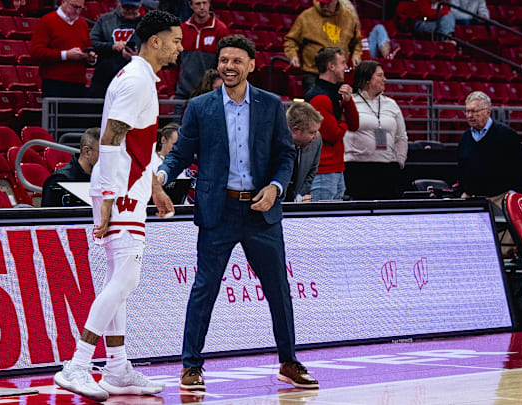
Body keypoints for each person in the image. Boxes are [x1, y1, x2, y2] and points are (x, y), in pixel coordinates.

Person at [157, 34, 319, 392]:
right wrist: (162, 175)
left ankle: (289, 362)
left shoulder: (270, 104)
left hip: (261, 210)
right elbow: (181, 153)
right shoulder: (200, 106)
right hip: (219, 210)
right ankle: (191, 366)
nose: (228, 66)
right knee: (204, 289)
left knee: (279, 290)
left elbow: (284, 156)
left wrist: (275, 188)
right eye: (223, 60)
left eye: (236, 60)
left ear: (251, 65)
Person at [53, 10, 179, 402]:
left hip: (131, 185)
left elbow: (135, 146)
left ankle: (118, 366)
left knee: (119, 281)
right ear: (155, 41)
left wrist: (154, 186)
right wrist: (108, 196)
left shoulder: (141, 78)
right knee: (126, 279)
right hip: (119, 189)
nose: (180, 46)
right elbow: (109, 138)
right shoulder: (137, 80)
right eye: (174, 39)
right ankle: (77, 363)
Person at [343, 60, 408, 200]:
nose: (384, 79)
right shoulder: (350, 102)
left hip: (387, 168)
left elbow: (401, 137)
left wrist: (399, 161)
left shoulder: (391, 104)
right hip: (357, 169)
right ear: (367, 79)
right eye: (380, 75)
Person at [305, 47, 359, 201]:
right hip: (323, 170)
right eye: (342, 63)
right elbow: (333, 135)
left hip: (336, 168)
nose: (346, 68)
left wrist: (348, 103)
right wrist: (342, 121)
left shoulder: (338, 92)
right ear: (331, 66)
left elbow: (355, 125)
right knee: (321, 220)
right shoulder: (319, 98)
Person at [457, 91, 522, 202]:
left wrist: (512, 194)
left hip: (499, 197)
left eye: (474, 111)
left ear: (487, 112)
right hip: (471, 198)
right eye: (467, 111)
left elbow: (521, 168)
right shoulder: (465, 137)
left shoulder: (506, 135)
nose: (470, 116)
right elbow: (461, 168)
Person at [283, 0, 362, 93]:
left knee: (337, 104)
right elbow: (291, 40)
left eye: (328, 3)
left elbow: (357, 42)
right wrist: (292, 54)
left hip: (337, 75)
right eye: (322, 3)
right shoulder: (306, 16)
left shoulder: (348, 18)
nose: (324, 6)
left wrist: (356, 54)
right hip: (313, 73)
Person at [29, 0, 97, 98]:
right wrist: (65, 55)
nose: (77, 11)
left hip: (78, 82)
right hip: (54, 83)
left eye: (80, 8)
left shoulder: (83, 24)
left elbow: (88, 49)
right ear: (64, 2)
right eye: (74, 7)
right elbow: (36, 52)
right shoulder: (47, 21)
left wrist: (90, 58)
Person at [175, 0, 229, 102]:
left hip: (208, 94)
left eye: (205, 3)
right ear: (191, 5)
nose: (202, 7)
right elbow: (174, 62)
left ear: (209, 4)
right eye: (198, 4)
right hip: (183, 94)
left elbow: (225, 63)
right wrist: (170, 91)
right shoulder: (182, 29)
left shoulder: (221, 29)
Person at [88, 0, 144, 98]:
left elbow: (156, 50)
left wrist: (136, 56)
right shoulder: (105, 20)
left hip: (134, 76)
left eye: (133, 7)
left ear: (140, 5)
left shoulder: (147, 24)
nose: (130, 11)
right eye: (126, 7)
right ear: (119, 4)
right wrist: (112, 46)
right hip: (105, 75)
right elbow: (91, 42)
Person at [41, 128, 100, 207]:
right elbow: (49, 217)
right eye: (105, 153)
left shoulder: (107, 179)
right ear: (87, 152)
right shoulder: (59, 181)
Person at [285, 102, 323, 203]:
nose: (315, 136)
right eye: (311, 132)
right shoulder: (273, 141)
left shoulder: (316, 141)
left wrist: (299, 196)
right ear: (295, 130)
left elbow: (311, 172)